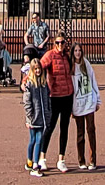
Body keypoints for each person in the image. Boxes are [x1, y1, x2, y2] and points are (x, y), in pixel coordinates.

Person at [38, 32, 74, 173]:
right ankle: (42, 157)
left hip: (67, 96)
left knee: (64, 128)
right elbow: (38, 68)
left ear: (66, 43)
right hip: (54, 97)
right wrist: (25, 81)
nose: (60, 45)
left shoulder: (67, 56)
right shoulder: (50, 55)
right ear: (54, 44)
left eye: (62, 42)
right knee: (50, 127)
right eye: (57, 43)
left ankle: (61, 159)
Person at [70, 43, 100, 170]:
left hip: (89, 101)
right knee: (80, 133)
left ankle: (93, 160)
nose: (78, 53)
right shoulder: (70, 67)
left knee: (91, 131)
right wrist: (70, 107)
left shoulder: (86, 64)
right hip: (77, 103)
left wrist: (97, 99)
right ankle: (81, 160)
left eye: (79, 50)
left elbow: (93, 81)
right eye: (75, 50)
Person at [23, 58, 51, 177]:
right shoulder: (29, 84)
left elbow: (48, 100)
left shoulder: (44, 84)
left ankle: (30, 161)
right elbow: (27, 103)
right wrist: (30, 117)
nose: (38, 71)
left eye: (39, 68)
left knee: (36, 140)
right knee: (35, 140)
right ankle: (34, 164)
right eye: (36, 69)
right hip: (34, 117)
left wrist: (48, 112)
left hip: (43, 116)